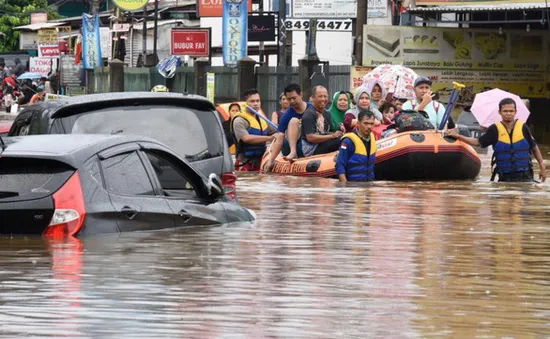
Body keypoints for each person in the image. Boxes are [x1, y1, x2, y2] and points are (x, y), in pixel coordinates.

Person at [445, 98, 546, 182]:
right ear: (500, 112)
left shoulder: (523, 127)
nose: (508, 113)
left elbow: (534, 147)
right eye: (505, 111)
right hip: (505, 176)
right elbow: (477, 142)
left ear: (515, 112)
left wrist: (542, 166)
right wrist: (458, 136)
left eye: (511, 111)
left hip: (525, 175)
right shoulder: (494, 129)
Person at [263, 83, 312, 170]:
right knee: (294, 121)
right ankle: (293, 152)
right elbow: (279, 137)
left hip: (309, 144)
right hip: (292, 146)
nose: (292, 101)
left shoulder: (312, 109)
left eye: (294, 98)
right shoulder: (287, 114)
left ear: (301, 95)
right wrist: (270, 161)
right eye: (289, 99)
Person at [231, 88, 276, 171]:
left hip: (261, 161)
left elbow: (276, 132)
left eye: (258, 101)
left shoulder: (263, 120)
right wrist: (270, 138)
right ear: (245, 103)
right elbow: (246, 139)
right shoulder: (239, 120)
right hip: (244, 162)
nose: (256, 104)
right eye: (252, 101)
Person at [301, 86, 343, 157]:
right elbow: (310, 137)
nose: (323, 99)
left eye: (325, 96)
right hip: (312, 149)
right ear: (312, 98)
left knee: (344, 138)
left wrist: (339, 133)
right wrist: (332, 136)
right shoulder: (309, 114)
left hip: (322, 143)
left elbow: (326, 132)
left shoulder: (326, 113)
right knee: (339, 141)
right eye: (320, 96)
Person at [336, 110, 377, 183]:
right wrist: (345, 185)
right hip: (353, 185)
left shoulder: (372, 138)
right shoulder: (348, 141)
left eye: (372, 124)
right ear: (358, 124)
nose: (369, 126)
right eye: (366, 123)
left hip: (368, 184)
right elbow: (340, 165)